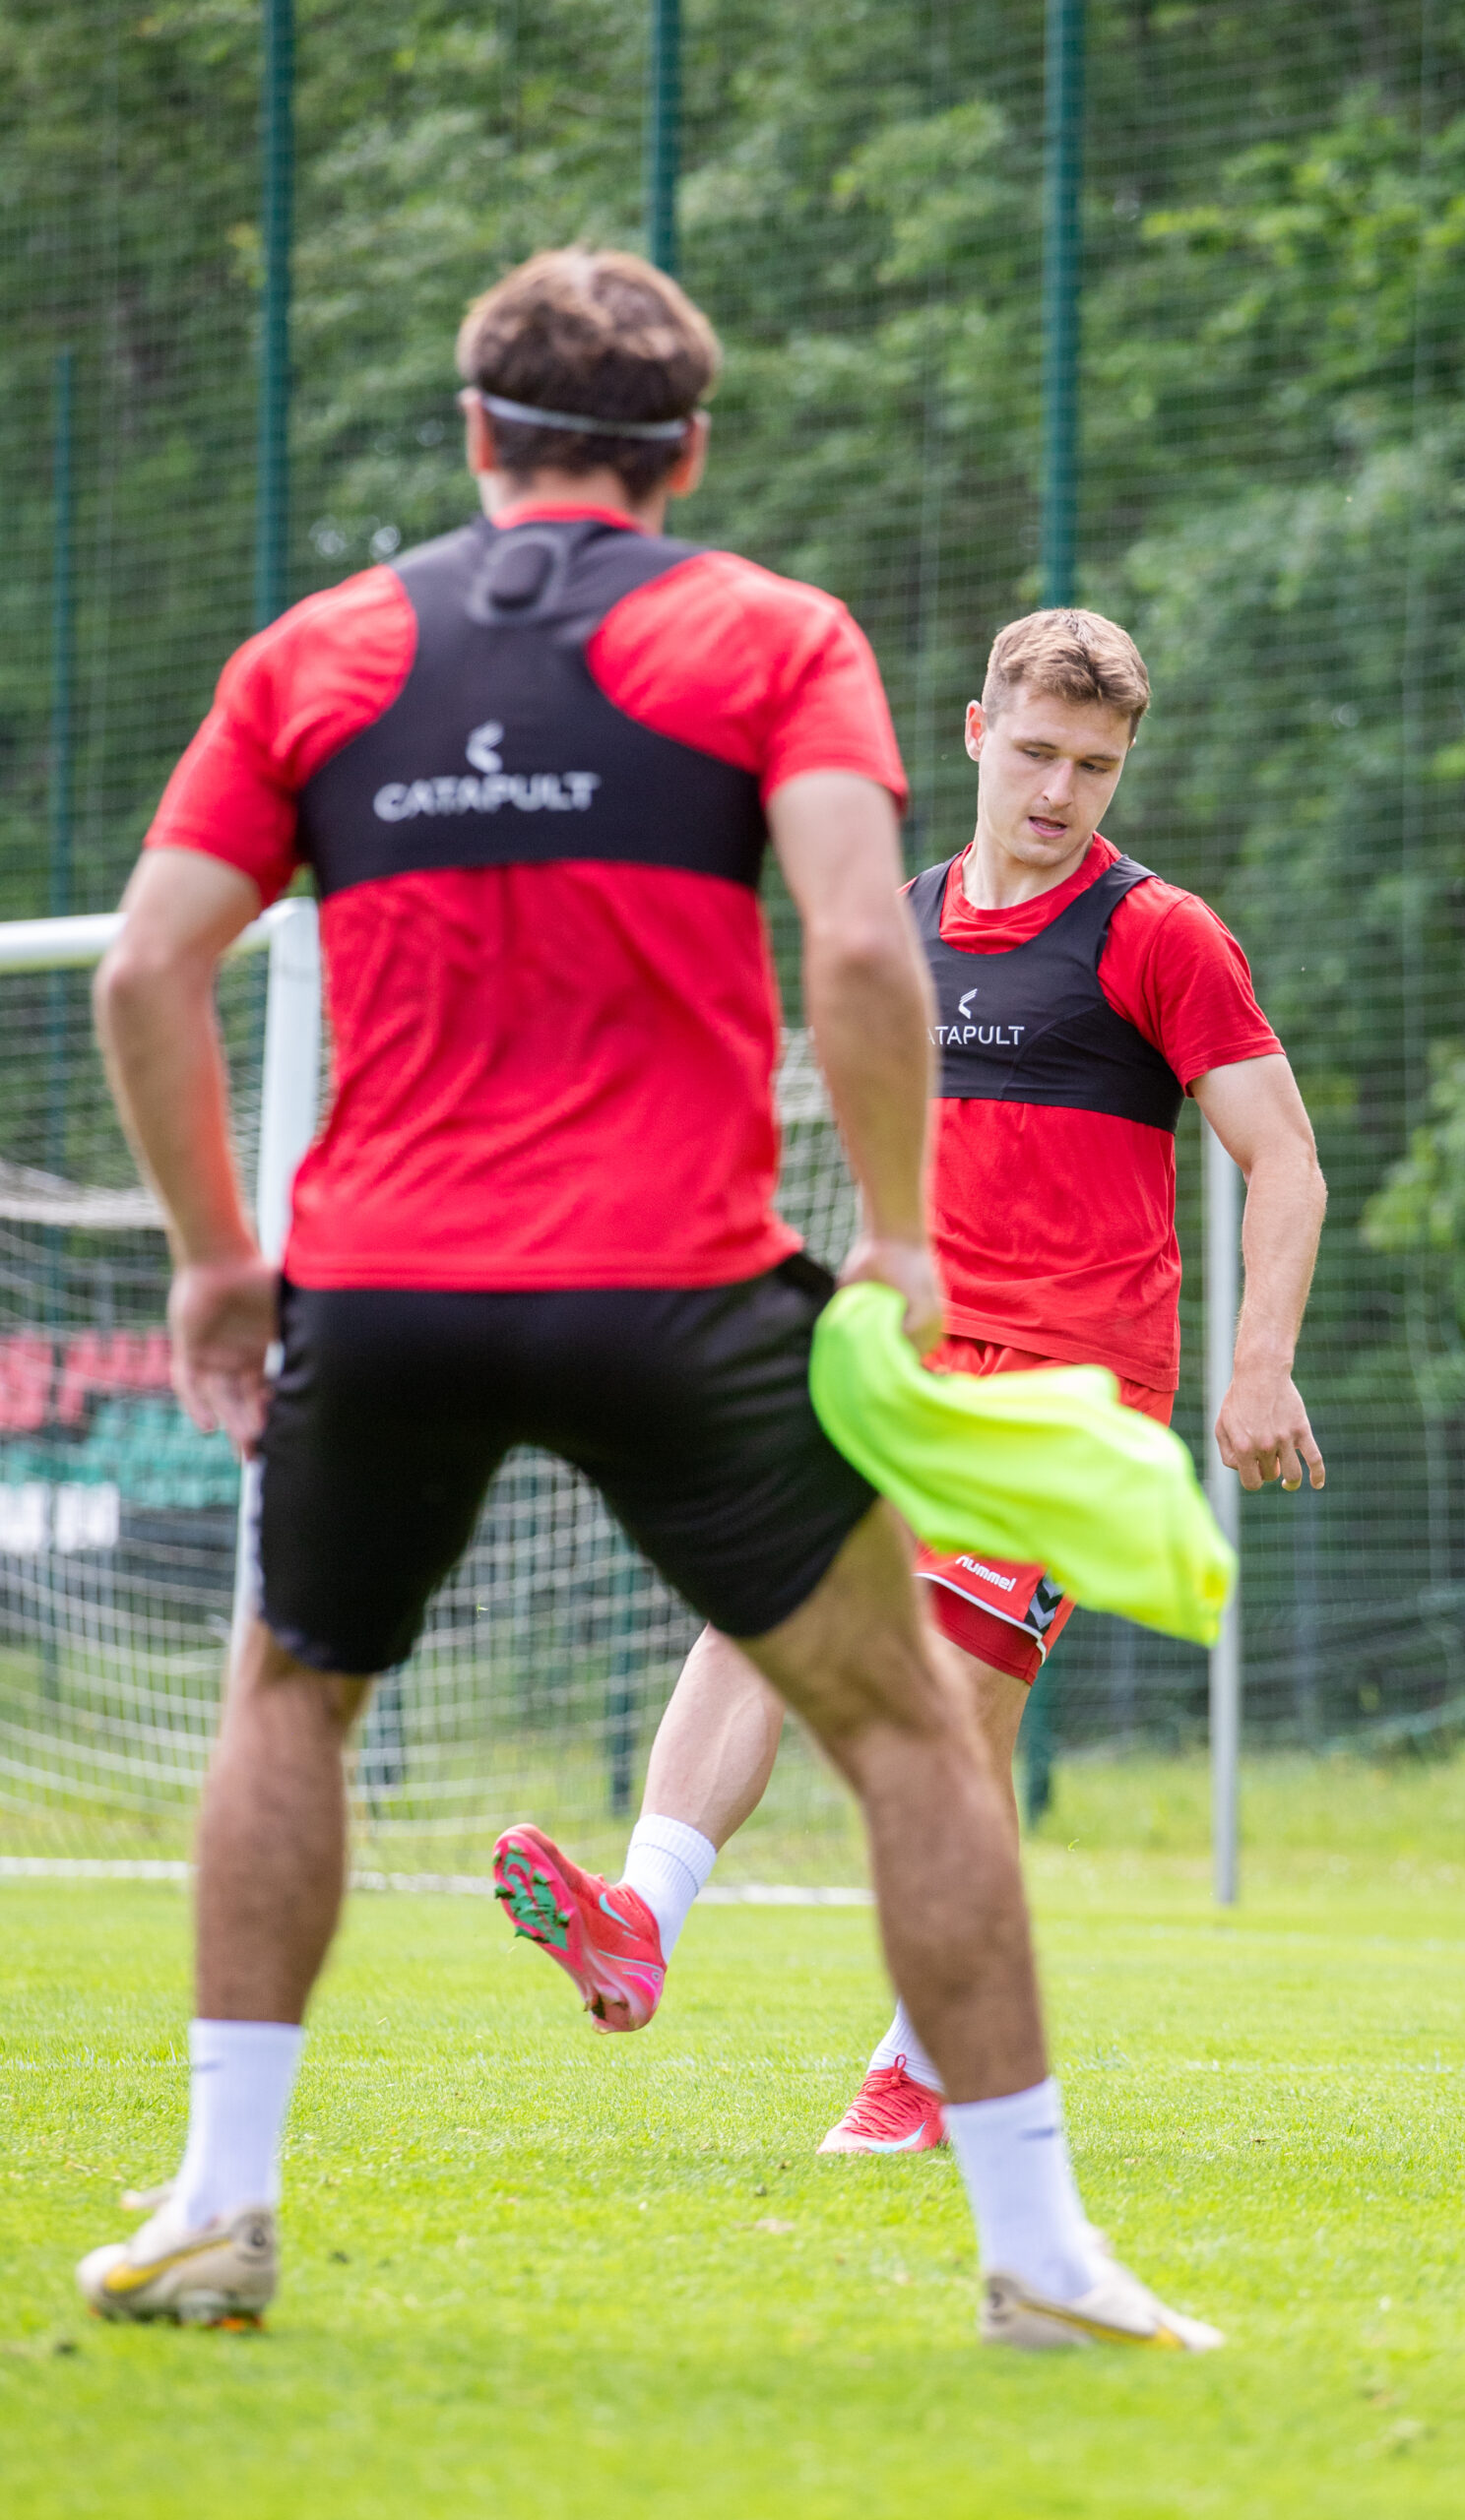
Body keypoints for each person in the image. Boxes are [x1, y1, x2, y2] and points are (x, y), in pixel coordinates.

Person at [78, 247, 1220, 2352]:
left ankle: (221, 2205)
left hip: (386, 1275)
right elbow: (863, 950)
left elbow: (145, 967)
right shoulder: (771, 634)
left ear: (472, 433)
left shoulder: (319, 649)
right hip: (676, 1281)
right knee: (910, 1735)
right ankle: (1041, 2258)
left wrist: (219, 1261)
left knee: (289, 1702)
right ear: (684, 453)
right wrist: (895, 1235)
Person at [498, 602, 1326, 2156]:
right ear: (975, 733)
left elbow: (1283, 1156)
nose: (1060, 791)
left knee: (948, 1706)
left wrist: (1260, 1362)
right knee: (758, 1603)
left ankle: (925, 2064)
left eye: (1095, 766)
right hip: (902, 1363)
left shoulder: (1161, 935)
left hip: (1069, 1392)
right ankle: (641, 1918)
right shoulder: (891, 932)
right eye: (1037, 753)